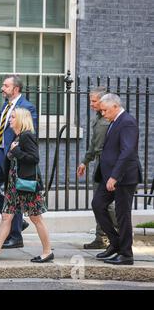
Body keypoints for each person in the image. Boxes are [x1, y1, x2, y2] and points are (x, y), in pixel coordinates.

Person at [0, 108, 53, 263]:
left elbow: (34, 158)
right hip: (14, 185)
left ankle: (47, 251)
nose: (9, 119)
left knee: (36, 218)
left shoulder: (27, 136)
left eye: (12, 117)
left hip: (27, 185)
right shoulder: (17, 136)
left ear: (20, 119)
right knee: (6, 216)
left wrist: (16, 151)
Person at [0, 75, 36, 249]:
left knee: (12, 194)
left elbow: (28, 131)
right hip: (0, 152)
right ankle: (17, 222)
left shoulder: (28, 107)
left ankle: (15, 236)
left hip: (14, 155)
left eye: (6, 86)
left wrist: (16, 151)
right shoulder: (5, 106)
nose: (2, 88)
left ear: (16, 89)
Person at [92, 93, 142, 266]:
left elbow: (127, 151)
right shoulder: (114, 121)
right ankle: (115, 243)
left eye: (105, 110)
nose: (103, 114)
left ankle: (126, 254)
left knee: (122, 215)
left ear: (115, 106)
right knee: (98, 205)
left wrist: (114, 176)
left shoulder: (127, 122)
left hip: (123, 177)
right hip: (109, 176)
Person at [76, 87, 118, 249]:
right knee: (99, 202)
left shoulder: (107, 120)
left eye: (94, 101)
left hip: (107, 165)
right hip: (100, 164)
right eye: (91, 100)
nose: (91, 104)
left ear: (103, 101)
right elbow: (94, 144)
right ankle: (101, 238)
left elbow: (99, 146)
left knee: (106, 203)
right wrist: (85, 161)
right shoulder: (99, 118)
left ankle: (116, 234)